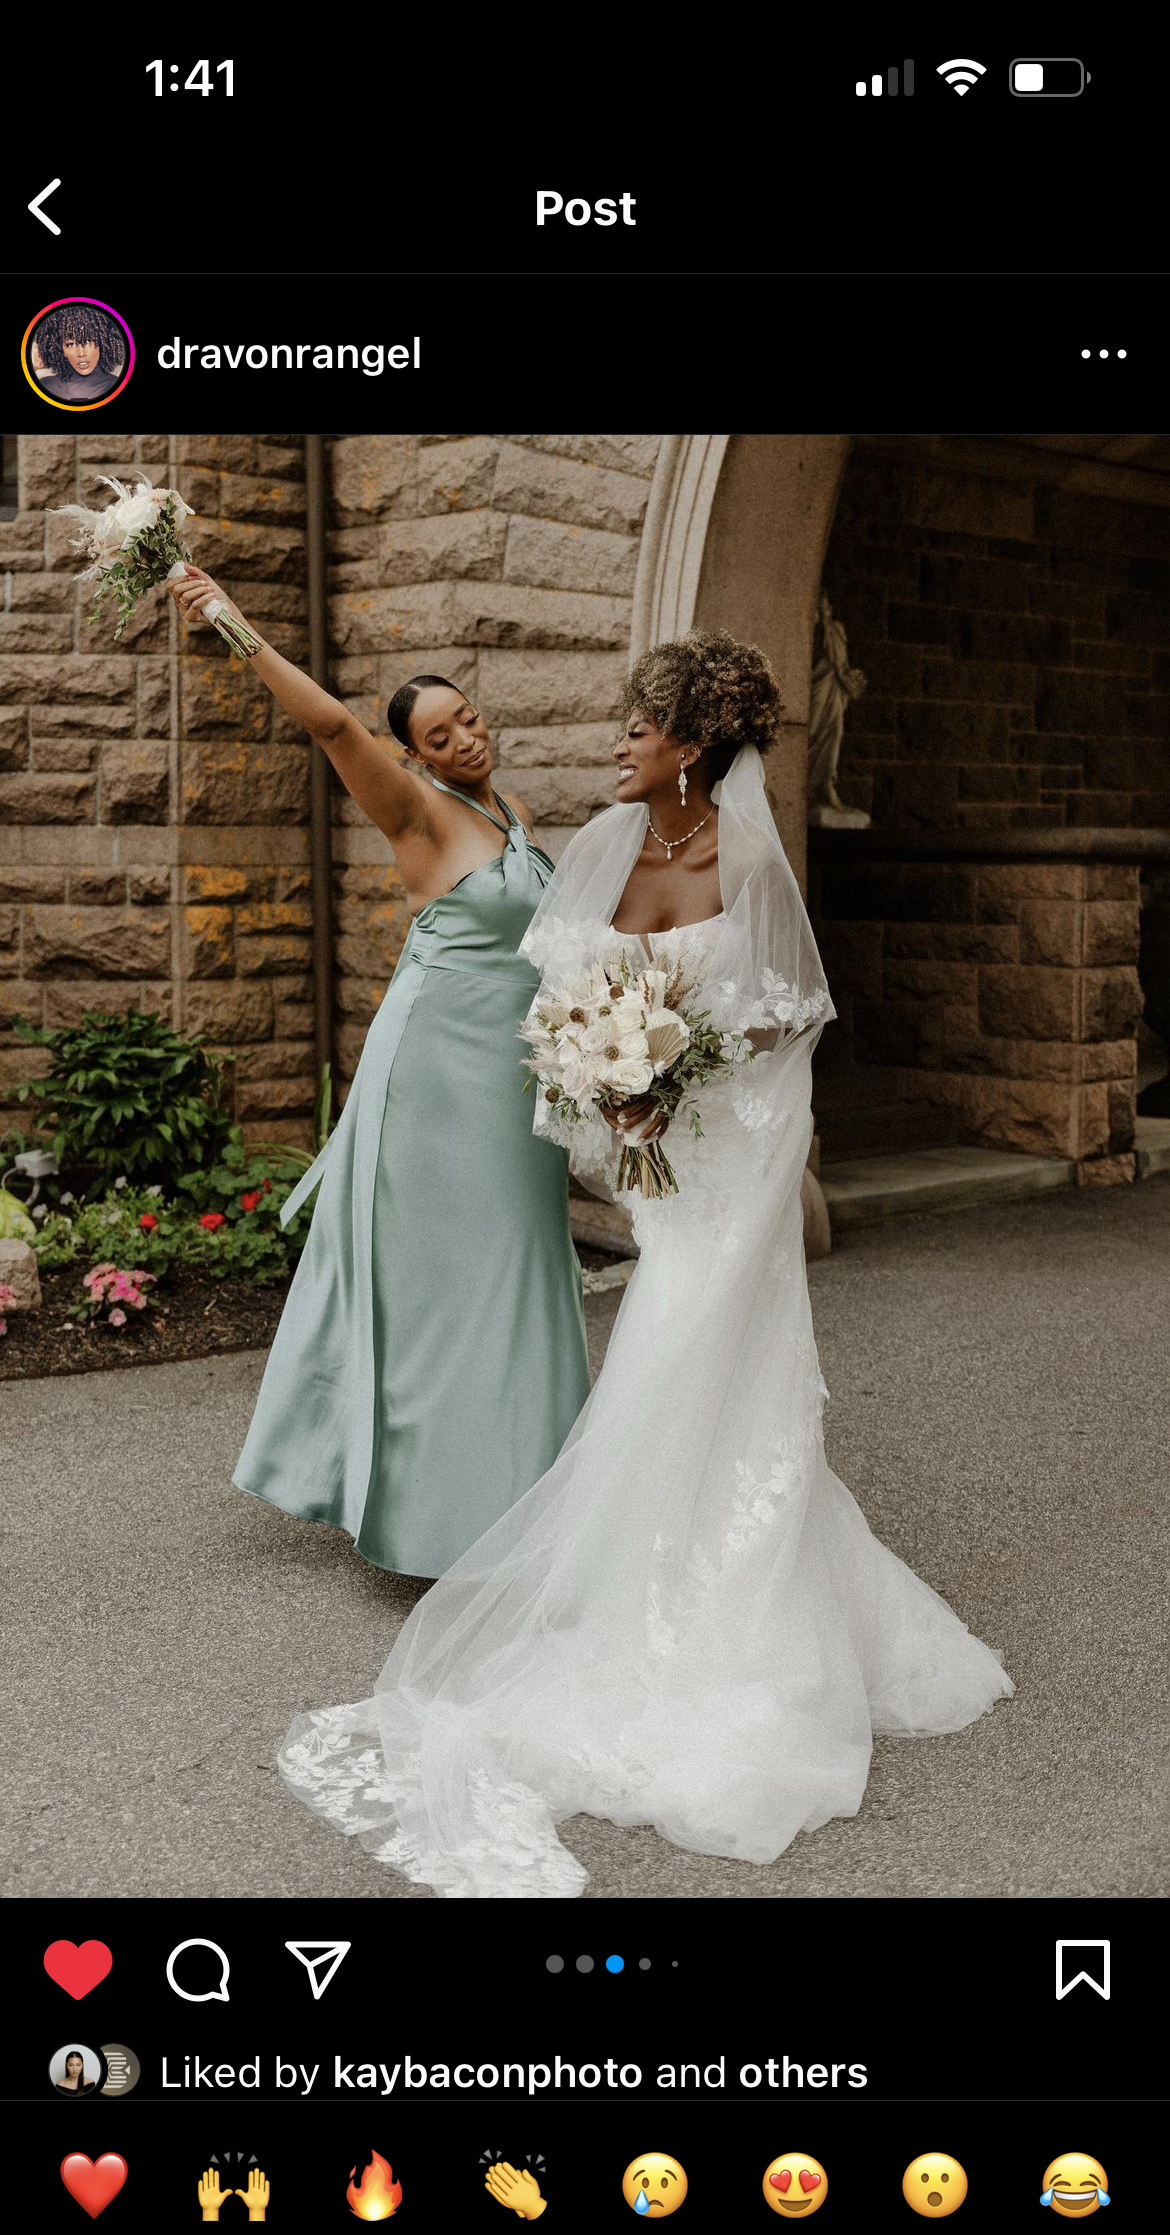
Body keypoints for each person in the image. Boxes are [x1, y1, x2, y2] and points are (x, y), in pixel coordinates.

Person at [278, 628, 1013, 1895]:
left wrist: (692, 1084)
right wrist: (608, 1092)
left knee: (710, 1360)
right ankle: (635, 1582)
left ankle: (729, 1610)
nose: (614, 742)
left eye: (636, 727)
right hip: (659, 1172)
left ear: (691, 744)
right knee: (665, 1360)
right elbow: (563, 999)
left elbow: (788, 1020)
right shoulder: (609, 846)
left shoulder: (745, 856)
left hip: (732, 1166)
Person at [170, 569, 589, 1577]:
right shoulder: (414, 810)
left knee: (528, 1262)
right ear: (415, 755)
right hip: (437, 1079)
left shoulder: (516, 812)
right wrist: (230, 622)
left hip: (518, 1071)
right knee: (456, 1282)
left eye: (471, 720)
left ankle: (542, 1495)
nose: (466, 740)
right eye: (441, 736)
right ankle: (445, 1522)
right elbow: (329, 728)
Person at [31, 306, 126, 403]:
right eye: (70, 344)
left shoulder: (118, 386)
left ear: (103, 342)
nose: (81, 353)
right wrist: (32, 366)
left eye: (89, 341)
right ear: (60, 349)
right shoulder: (46, 385)